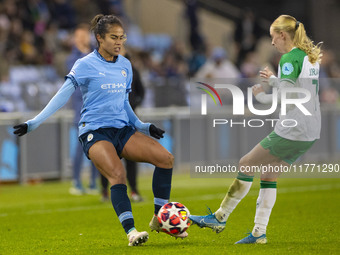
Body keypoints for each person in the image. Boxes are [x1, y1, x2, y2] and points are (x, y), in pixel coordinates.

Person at [13, 14, 188, 246]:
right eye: (113, 37)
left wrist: (142, 126)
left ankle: (159, 218)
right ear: (99, 38)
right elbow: (61, 96)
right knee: (118, 175)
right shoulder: (85, 65)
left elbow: (124, 104)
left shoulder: (126, 65)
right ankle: (131, 232)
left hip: (122, 130)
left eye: (122, 37)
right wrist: (33, 122)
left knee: (166, 159)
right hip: (94, 131)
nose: (119, 42)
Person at [190, 14, 322, 244]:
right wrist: (263, 97)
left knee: (245, 163)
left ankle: (220, 217)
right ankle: (259, 233)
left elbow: (289, 94)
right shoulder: (311, 57)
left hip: (294, 127)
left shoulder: (290, 58)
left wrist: (271, 82)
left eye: (273, 37)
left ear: (283, 35)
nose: (272, 42)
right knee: (269, 174)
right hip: (311, 129)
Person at [101, 46, 145, 202]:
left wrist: (132, 106)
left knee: (131, 156)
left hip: (128, 121)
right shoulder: (105, 71)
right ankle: (105, 191)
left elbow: (141, 92)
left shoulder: (133, 71)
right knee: (107, 155)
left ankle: (133, 190)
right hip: (109, 120)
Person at [66, 23, 99, 196]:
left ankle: (94, 182)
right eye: (79, 35)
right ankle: (76, 181)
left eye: (84, 35)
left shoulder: (96, 53)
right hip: (80, 109)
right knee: (81, 147)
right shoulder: (73, 58)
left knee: (96, 146)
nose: (82, 38)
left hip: (96, 108)